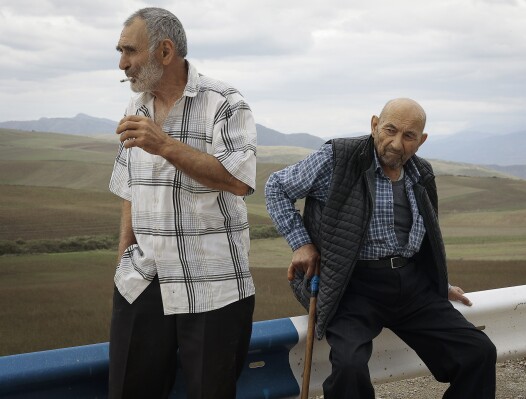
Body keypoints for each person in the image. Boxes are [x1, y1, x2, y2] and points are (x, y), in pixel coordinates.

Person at [265, 98, 497, 398]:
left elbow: (426, 240)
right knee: (349, 369)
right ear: (375, 125)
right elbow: (276, 187)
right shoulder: (339, 157)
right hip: (352, 287)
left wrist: (441, 283)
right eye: (390, 130)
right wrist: (302, 244)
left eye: (409, 136)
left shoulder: (420, 174)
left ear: (421, 141)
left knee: (478, 352)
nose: (397, 144)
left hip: (412, 287)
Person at [108, 7, 256, 399]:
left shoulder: (225, 102)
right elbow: (129, 187)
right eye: (120, 52)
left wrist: (165, 145)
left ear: (165, 51)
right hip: (143, 281)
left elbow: (238, 180)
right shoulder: (135, 106)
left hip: (214, 286)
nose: (122, 64)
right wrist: (124, 255)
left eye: (129, 51)